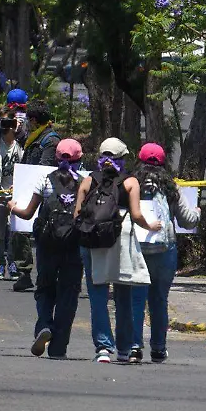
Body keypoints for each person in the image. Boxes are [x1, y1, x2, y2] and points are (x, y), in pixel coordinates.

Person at [76, 137, 160, 364]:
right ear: (123, 158)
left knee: (97, 296)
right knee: (123, 296)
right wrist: (151, 226)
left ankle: (103, 348)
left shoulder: (87, 181)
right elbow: (136, 215)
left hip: (93, 241)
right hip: (120, 240)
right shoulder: (130, 182)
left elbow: (77, 215)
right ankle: (124, 348)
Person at [6, 137, 85, 359]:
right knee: (69, 294)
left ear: (56, 157)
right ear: (80, 158)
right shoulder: (85, 183)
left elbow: (28, 213)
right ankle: (59, 347)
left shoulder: (45, 179)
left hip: (47, 244)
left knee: (45, 287)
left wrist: (13, 207)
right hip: (74, 246)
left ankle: (43, 324)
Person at [131, 142, 199, 363]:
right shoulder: (171, 186)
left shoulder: (133, 184)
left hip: (137, 249)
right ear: (163, 162)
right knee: (159, 300)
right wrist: (197, 212)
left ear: (140, 160)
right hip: (164, 250)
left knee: (136, 299)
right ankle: (159, 348)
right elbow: (187, 221)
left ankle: (134, 346)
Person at [0, 112, 29, 286]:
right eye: (4, 122)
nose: (7, 126)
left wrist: (20, 127)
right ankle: (0, 265)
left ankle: (13, 264)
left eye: (10, 122)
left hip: (16, 194)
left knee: (14, 232)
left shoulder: (21, 142)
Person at [21, 100, 62, 166]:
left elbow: (44, 169)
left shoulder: (51, 141)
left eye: (27, 119)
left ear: (33, 120)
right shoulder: (33, 136)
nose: (26, 123)